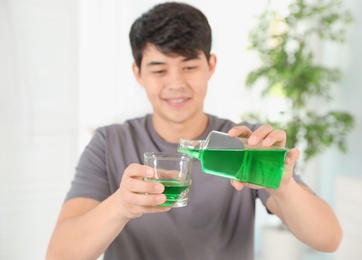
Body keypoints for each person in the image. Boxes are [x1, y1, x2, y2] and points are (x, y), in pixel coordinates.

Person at [46, 2, 342, 259]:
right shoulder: (109, 143)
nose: (176, 83)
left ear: (210, 66)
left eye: (189, 67)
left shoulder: (244, 145)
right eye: (159, 70)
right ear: (137, 73)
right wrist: (121, 205)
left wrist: (283, 185)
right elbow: (59, 255)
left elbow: (329, 239)